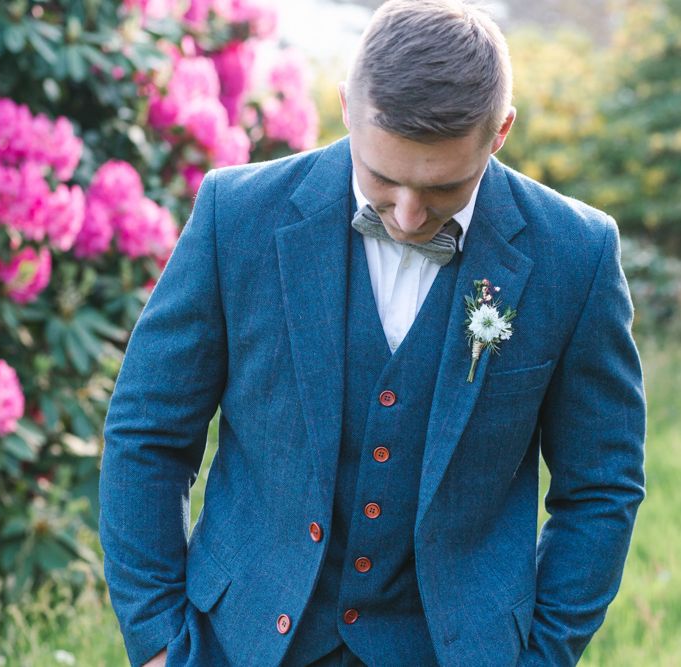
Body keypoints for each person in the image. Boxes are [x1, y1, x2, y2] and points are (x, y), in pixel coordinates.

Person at [99, 1, 646, 665]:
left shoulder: (574, 254)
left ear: (498, 131)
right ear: (344, 108)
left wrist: (545, 651)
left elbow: (600, 484)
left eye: (443, 186)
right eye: (383, 180)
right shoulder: (236, 216)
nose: (410, 215)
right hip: (239, 642)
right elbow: (147, 431)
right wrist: (159, 640)